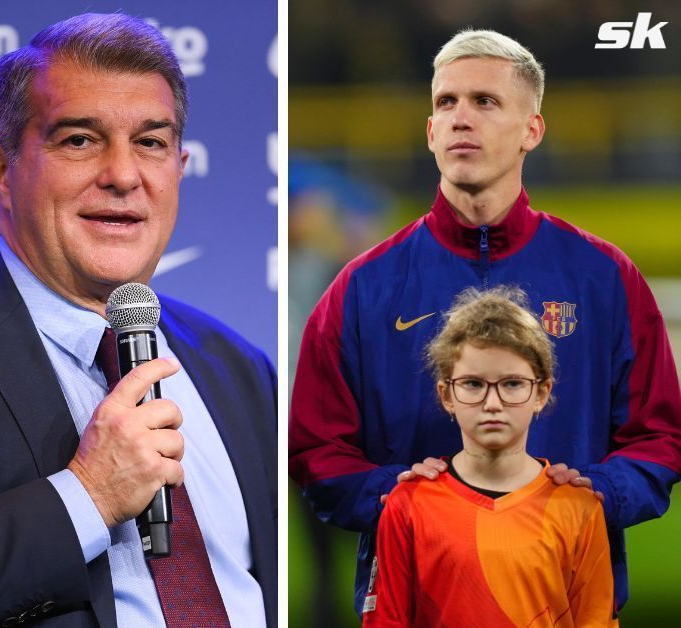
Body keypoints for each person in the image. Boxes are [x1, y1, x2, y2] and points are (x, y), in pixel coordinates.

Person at [0, 13, 277, 627]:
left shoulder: (241, 369)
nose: (123, 176)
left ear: (180, 165)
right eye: (79, 140)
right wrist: (87, 499)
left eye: (150, 142)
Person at [289, 29, 681, 615]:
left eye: (485, 102)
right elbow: (316, 449)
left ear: (532, 130)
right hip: (415, 607)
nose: (460, 118)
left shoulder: (603, 279)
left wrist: (592, 497)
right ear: (429, 132)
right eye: (446, 103)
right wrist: (396, 497)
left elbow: (660, 438)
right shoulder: (362, 289)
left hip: (565, 606)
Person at [362, 286, 614, 626]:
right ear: (446, 394)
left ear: (541, 392)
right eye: (473, 384)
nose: (492, 403)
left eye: (511, 384)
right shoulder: (407, 505)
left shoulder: (579, 507)